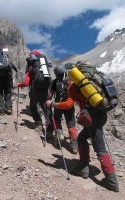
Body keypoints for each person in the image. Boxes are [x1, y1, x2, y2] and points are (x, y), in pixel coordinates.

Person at [45, 62, 119, 192]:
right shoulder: (95, 81)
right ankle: (83, 168)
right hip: (101, 115)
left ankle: (111, 181)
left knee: (99, 147)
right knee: (81, 138)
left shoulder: (75, 87)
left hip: (91, 117)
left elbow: (68, 105)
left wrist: (53, 104)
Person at [14, 50, 52, 133]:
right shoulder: (44, 65)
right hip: (45, 89)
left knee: (33, 107)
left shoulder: (31, 67)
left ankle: (38, 123)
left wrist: (18, 85)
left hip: (35, 90)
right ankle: (50, 131)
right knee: (46, 108)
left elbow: (26, 83)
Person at [46, 65, 78, 154]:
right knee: (71, 123)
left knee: (57, 120)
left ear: (56, 73)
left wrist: (48, 102)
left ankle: (59, 135)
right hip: (69, 105)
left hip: (58, 105)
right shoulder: (70, 81)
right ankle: (74, 145)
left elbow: (50, 94)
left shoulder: (55, 81)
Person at [0, 47, 18, 116]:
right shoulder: (5, 58)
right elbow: (12, 66)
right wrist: (16, 70)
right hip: (7, 78)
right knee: (8, 93)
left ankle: (1, 110)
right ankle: (8, 108)